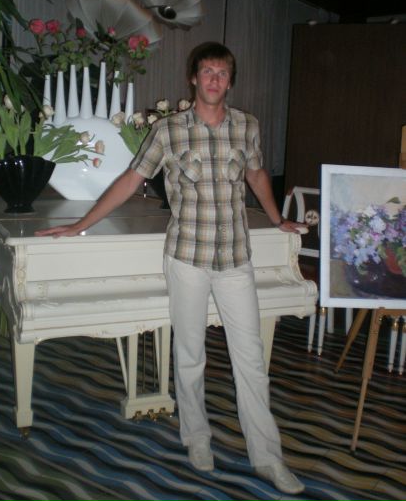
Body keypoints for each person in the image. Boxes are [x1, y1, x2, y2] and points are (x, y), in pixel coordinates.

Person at [36, 42, 305, 495]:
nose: (214, 79)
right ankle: (196, 438)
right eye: (207, 72)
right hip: (187, 258)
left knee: (252, 362)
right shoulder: (168, 130)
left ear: (230, 82)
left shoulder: (247, 126)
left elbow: (257, 174)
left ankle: (268, 457)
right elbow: (131, 180)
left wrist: (278, 219)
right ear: (193, 78)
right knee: (190, 355)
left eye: (222, 73)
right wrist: (81, 224)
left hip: (235, 259)